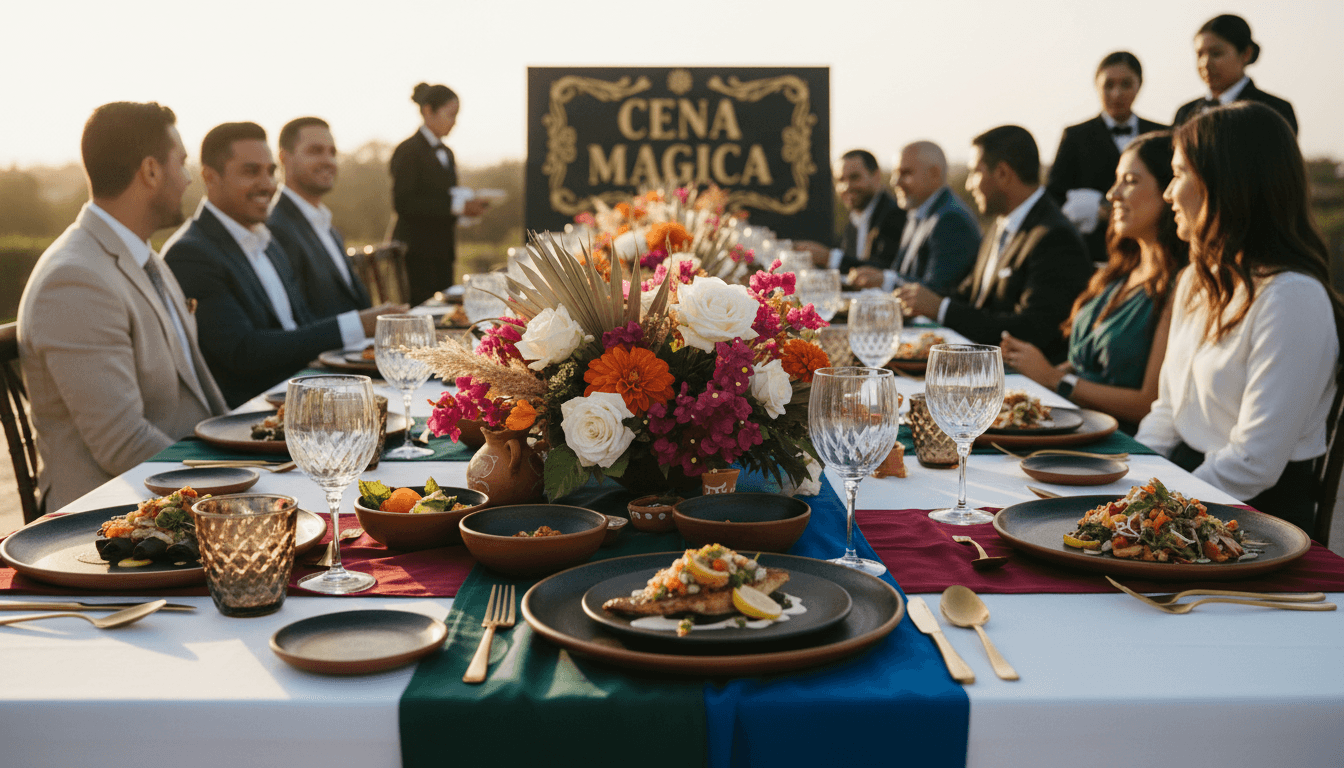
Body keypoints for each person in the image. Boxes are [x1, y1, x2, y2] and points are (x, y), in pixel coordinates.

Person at [1136, 103, 1340, 530]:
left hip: (1254, 518)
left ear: (1225, 184)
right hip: (1186, 486)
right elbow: (1168, 409)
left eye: (1178, 174)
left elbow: (1254, 463)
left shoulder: (1292, 298)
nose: (1169, 193)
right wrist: (1133, 482)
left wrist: (1155, 512)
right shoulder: (1196, 277)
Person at [16, 102, 228, 510]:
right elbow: (122, 442)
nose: (188, 180)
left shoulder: (144, 257)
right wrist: (230, 485)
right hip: (113, 517)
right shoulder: (75, 280)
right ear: (150, 171)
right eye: (181, 164)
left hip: (178, 486)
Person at [165, 122, 403, 407]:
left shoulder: (267, 241)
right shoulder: (191, 253)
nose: (266, 184)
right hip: (255, 416)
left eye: (270, 172)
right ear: (210, 177)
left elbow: (301, 326)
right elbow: (243, 351)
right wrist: (356, 325)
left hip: (314, 397)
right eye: (250, 171)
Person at [1001, 131, 1187, 432]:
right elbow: (1082, 364)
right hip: (1071, 427)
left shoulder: (1180, 285)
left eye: (1131, 181)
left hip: (1120, 444)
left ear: (1169, 189)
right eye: (1116, 180)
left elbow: (1149, 403)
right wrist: (1024, 372)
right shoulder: (1118, 276)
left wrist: (1054, 379)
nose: (1112, 194)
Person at [896, 125, 1091, 361]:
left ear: (1002, 173)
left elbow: (1030, 331)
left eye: (974, 173)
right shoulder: (1000, 226)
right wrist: (912, 300)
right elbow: (968, 294)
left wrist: (941, 308)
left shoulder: (1054, 237)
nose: (969, 184)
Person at [1047, 52, 1167, 264]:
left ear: (1140, 85)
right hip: (1093, 254)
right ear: (1096, 86)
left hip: (1153, 252)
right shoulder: (1075, 136)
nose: (1117, 93)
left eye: (1126, 84)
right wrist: (1095, 209)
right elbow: (1053, 197)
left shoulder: (1161, 134)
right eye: (1108, 85)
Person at [390, 82, 489, 306]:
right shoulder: (407, 150)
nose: (454, 122)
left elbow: (446, 198)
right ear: (428, 111)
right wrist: (457, 208)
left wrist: (467, 211)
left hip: (443, 251)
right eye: (450, 114)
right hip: (416, 253)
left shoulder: (447, 153)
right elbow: (403, 203)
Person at [268, 116, 373, 319]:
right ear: (284, 158)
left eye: (332, 152)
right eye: (315, 151)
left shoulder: (330, 229)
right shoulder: (275, 229)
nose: (328, 161)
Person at [848, 141, 979, 295]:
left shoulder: (950, 220)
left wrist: (885, 280)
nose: (895, 182)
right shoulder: (918, 213)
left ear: (934, 174)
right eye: (895, 173)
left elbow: (935, 293)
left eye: (906, 173)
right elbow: (900, 273)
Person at [1173, 14, 1297, 134]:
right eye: (1200, 54)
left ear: (1246, 54)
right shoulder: (1186, 113)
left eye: (1216, 53)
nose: (1205, 63)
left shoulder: (1274, 110)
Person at [794, 149, 906, 274]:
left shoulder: (896, 216)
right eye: (841, 180)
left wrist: (829, 258)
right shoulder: (855, 219)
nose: (847, 187)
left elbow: (883, 272)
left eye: (855, 177)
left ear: (876, 176)